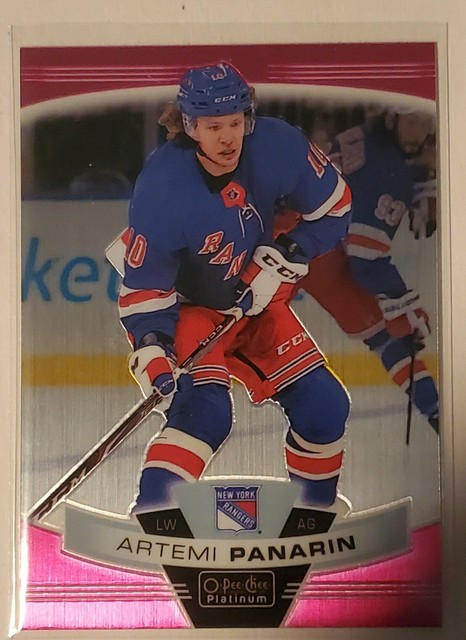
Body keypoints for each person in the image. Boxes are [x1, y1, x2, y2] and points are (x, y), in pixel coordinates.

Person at [116, 62, 353, 516]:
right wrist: (152, 345)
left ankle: (314, 514)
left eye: (235, 123)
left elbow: (336, 207)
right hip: (189, 310)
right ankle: (153, 515)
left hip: (255, 301)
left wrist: (289, 251)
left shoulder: (278, 145)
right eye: (213, 127)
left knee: (324, 407)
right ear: (189, 126)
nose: (228, 138)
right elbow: (145, 288)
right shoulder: (163, 188)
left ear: (248, 117)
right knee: (205, 413)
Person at [277, 107, 439, 434]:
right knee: (389, 336)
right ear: (392, 117)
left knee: (235, 320)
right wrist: (401, 305)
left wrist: (420, 180)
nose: (418, 130)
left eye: (424, 122)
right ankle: (438, 414)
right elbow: (365, 258)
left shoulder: (365, 137)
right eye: (411, 119)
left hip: (283, 229)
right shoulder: (389, 170)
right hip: (318, 250)